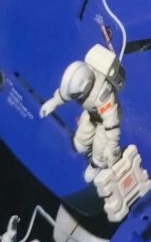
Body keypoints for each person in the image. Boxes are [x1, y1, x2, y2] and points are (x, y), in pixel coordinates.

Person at [40, 48, 122, 182]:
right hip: (91, 115)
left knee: (100, 150)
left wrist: (112, 144)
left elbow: (111, 123)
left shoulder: (103, 96)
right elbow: (66, 92)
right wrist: (54, 101)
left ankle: (95, 166)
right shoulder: (82, 78)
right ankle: (88, 150)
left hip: (105, 122)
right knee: (79, 144)